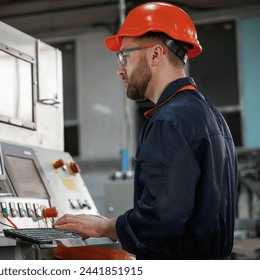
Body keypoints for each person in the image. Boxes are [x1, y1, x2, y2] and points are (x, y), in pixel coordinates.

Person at [53, 2, 238, 260]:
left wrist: (104, 226)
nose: (120, 69)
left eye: (125, 56)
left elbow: (162, 217)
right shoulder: (209, 115)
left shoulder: (169, 120)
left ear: (155, 54)